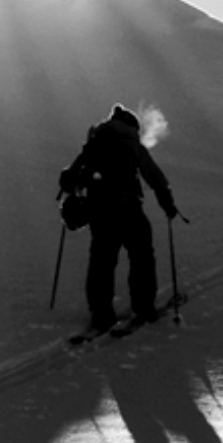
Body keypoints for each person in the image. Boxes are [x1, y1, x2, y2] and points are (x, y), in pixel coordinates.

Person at [58, 104, 179, 332]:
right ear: (131, 126)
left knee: (102, 261)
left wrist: (71, 184)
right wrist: (169, 206)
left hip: (99, 212)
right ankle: (143, 308)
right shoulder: (131, 145)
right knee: (141, 255)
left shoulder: (93, 144)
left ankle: (101, 313)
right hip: (128, 210)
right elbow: (155, 177)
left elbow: (72, 179)